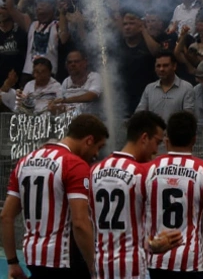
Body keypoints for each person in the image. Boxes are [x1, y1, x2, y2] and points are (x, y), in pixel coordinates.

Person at [2, 114, 110, 279]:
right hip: (65, 259)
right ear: (89, 140)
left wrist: (12, 263)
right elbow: (80, 223)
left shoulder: (24, 162)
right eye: (98, 147)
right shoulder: (74, 164)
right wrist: (94, 268)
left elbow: (5, 216)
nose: (96, 154)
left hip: (32, 256)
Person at [91, 111, 182, 279]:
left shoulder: (95, 170)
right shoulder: (143, 173)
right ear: (145, 137)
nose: (156, 150)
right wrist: (155, 244)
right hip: (132, 267)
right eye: (157, 142)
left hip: (100, 266)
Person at [146, 111, 203, 279]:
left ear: (167, 139)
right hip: (190, 262)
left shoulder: (148, 168)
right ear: (194, 140)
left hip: (153, 260)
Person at [136, 50, 196, 121]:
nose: (161, 69)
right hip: (154, 131)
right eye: (158, 66)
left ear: (174, 66)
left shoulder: (186, 88)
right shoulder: (149, 89)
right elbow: (139, 114)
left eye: (165, 65)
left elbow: (189, 118)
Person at [54, 50, 102, 118]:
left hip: (91, 119)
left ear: (85, 63)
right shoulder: (66, 81)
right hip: (70, 119)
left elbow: (91, 96)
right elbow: (60, 102)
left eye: (76, 61)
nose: (72, 64)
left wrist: (66, 100)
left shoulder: (94, 77)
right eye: (69, 62)